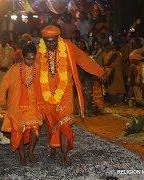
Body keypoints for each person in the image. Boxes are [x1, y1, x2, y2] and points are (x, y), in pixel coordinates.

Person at [37, 25, 105, 165]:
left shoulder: (68, 47)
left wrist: (99, 72)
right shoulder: (40, 50)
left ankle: (64, 155)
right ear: (43, 40)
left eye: (52, 41)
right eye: (47, 41)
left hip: (65, 91)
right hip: (46, 93)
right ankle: (54, 146)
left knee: (65, 122)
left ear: (58, 38)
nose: (50, 44)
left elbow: (83, 59)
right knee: (51, 123)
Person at [0, 41, 43, 165]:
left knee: (35, 130)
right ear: (23, 57)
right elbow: (3, 86)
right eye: (28, 59)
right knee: (19, 131)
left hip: (34, 105)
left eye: (33, 59)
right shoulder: (15, 69)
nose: (31, 61)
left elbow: (44, 86)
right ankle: (22, 156)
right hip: (16, 105)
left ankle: (30, 152)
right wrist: (2, 101)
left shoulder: (38, 68)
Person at [102, 38, 126, 104]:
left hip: (114, 71)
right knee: (115, 86)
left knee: (114, 86)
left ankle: (115, 101)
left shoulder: (115, 53)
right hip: (113, 70)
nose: (111, 45)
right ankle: (115, 101)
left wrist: (104, 66)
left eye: (112, 44)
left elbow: (108, 62)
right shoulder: (113, 52)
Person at [128, 38, 144, 106]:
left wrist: (139, 62)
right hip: (133, 67)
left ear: (140, 44)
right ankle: (135, 98)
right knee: (133, 82)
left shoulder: (142, 50)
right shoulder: (133, 51)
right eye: (134, 42)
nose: (135, 43)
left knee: (138, 81)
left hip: (139, 67)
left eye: (136, 42)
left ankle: (139, 98)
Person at [0, 35, 15, 102]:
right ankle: (1, 100)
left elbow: (12, 60)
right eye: (2, 40)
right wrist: (0, 68)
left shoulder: (11, 49)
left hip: (8, 71)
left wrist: (8, 67)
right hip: (0, 71)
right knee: (0, 85)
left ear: (7, 41)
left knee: (8, 86)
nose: (3, 41)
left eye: (5, 40)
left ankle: (8, 100)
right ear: (0, 41)